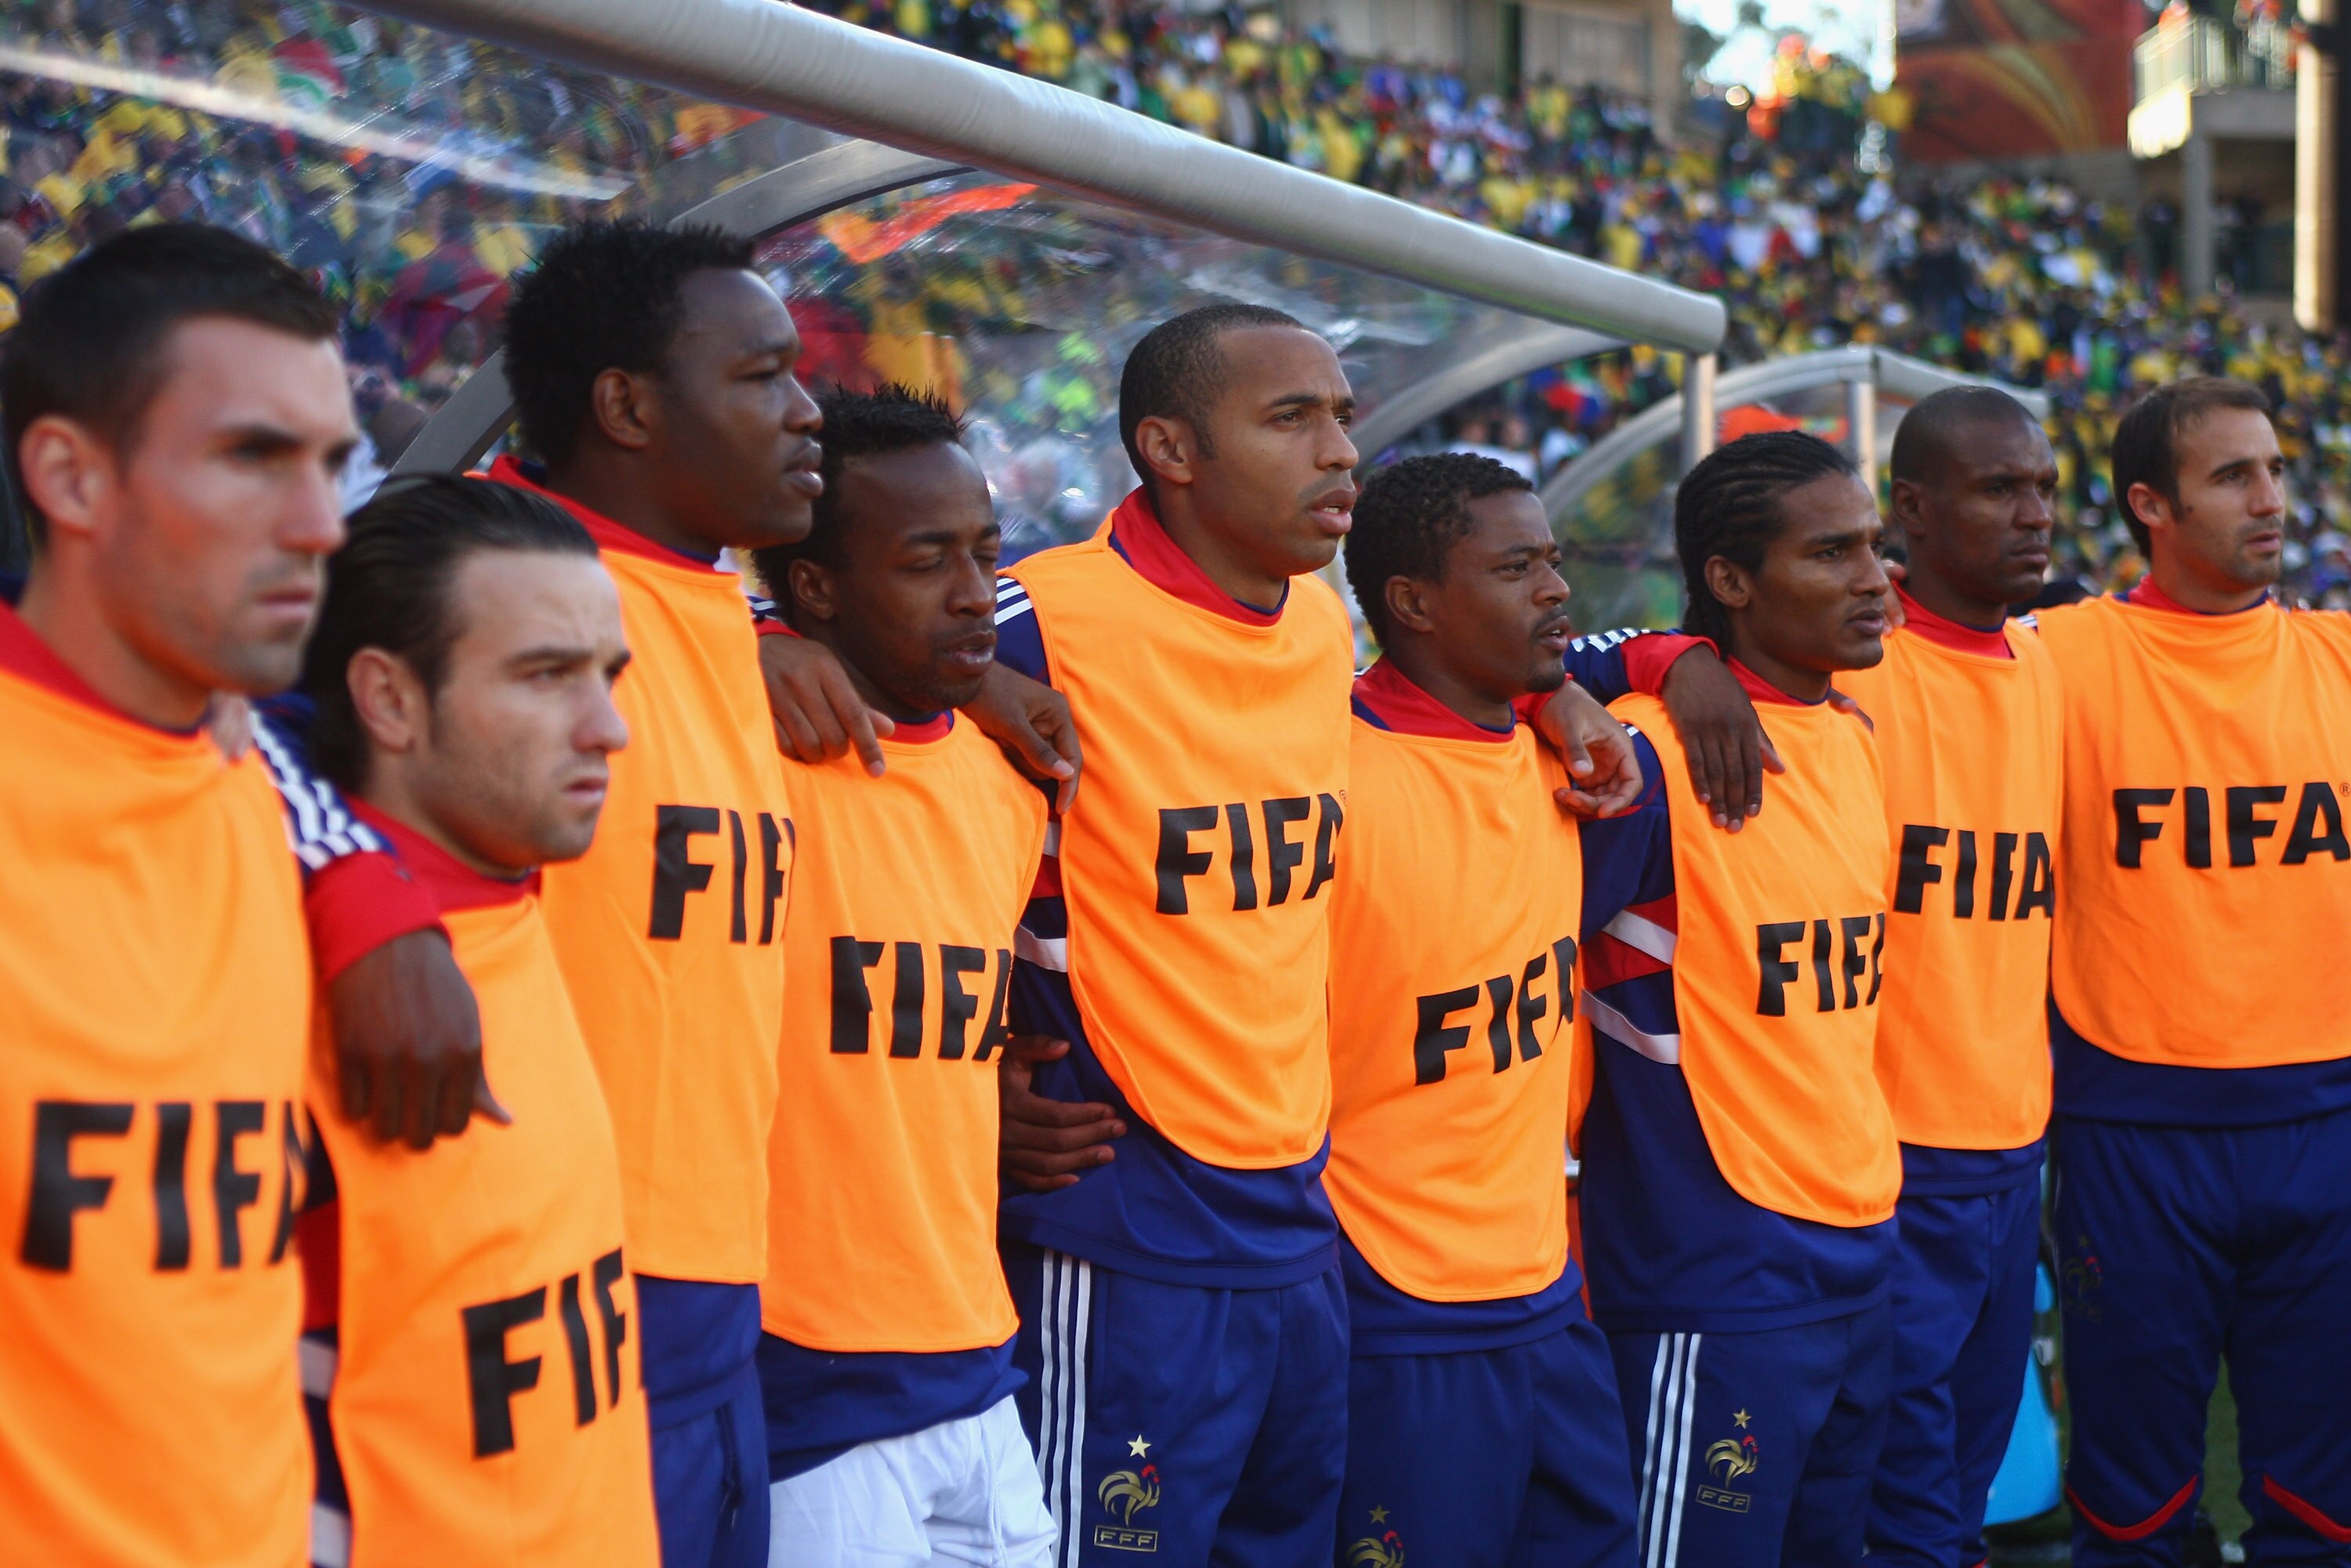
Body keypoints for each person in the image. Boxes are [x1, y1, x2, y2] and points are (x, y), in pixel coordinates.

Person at [976, 305, 1639, 1566]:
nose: (1340, 448)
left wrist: (1562, 685)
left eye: (1340, 414)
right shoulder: (1046, 617)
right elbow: (802, 621)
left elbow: (1551, 649)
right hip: (1126, 1219)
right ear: (1170, 448)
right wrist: (958, 1083)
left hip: (1296, 1226)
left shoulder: (1316, 628)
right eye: (1291, 418)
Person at [1629, 389, 2064, 1566]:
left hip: (1972, 1169)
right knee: (1887, 1517)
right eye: (1841, 548)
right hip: (1811, 1190)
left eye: (2044, 487)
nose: (2034, 515)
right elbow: (1511, 673)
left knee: (1934, 1511)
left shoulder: (2047, 663)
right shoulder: (1726, 721)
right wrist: (1664, 655)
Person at [0, 221, 342, 1563]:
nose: (319, 522)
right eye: (253, 456)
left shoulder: (250, 782)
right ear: (70, 476)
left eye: (329, 461)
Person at [491, 219, 822, 1568]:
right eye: (763, 376)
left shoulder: (706, 603)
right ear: (626, 404)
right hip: (557, 1292)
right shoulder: (482, 589)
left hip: (720, 1291)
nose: (808, 410)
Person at [292, 475, 657, 1566]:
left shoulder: (512, 888)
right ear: (390, 700)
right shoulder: (291, 979)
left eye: (609, 675)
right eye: (547, 675)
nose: (611, 728)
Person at [2033, 378, 2351, 1564]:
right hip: (2131, 1128)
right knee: (2136, 1513)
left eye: (2273, 469)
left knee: (2323, 1510)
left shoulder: (2338, 654)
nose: (2271, 498)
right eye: (2233, 476)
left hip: (2329, 1118)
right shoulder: (2056, 657)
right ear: (2148, 504)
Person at [1574, 430, 1900, 1568]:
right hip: (1711, 1273)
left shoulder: (1855, 736)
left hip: (1862, 1248)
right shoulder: (1647, 758)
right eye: (1832, 553)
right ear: (1729, 580)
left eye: (1873, 546)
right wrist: (1653, 659)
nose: (1873, 578)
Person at [747, 386, 1056, 1566]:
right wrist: (744, 638)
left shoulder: (1004, 780)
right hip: (806, 1377)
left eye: (986, 552)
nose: (977, 592)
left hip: (981, 1359)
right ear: (813, 586)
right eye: (929, 561)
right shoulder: (738, 746)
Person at [1327, 452, 1640, 1568]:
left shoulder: (1578, 761)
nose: (1556, 588)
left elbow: (1672, 651)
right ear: (1412, 601)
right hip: (1392, 1301)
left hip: (1548, 1288)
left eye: (1554, 561)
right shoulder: (1327, 767)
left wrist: (1597, 682)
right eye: (1516, 567)